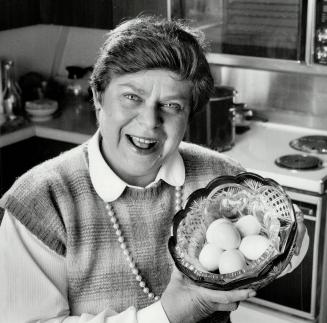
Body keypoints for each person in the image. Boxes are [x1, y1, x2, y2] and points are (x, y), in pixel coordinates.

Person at [0, 15, 308, 323]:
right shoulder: (42, 200)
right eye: (132, 97)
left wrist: (290, 240)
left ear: (189, 116)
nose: (149, 121)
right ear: (98, 97)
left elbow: (268, 253)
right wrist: (167, 314)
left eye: (172, 106)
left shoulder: (220, 179)